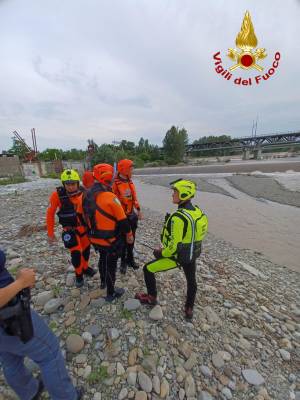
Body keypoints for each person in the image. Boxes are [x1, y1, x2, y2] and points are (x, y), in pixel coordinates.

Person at [0, 249, 83, 400]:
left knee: (9, 359)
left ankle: (29, 391)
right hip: (9, 318)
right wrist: (20, 283)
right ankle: (66, 397)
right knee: (49, 354)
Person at [135, 179, 208, 320]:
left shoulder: (178, 218)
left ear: (184, 194)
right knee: (191, 281)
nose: (172, 194)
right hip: (192, 254)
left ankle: (151, 297)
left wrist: (160, 253)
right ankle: (189, 309)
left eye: (175, 191)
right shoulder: (198, 212)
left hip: (177, 257)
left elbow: (173, 247)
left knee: (147, 269)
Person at [82, 163, 134, 301]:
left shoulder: (86, 196)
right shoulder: (111, 197)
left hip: (94, 238)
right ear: (109, 178)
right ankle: (111, 293)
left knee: (102, 258)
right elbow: (123, 221)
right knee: (111, 264)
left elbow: (82, 217)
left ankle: (103, 282)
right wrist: (129, 235)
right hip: (110, 240)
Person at [46, 169, 95, 288]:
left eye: (73, 184)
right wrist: (50, 233)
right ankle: (79, 275)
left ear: (78, 183)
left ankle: (85, 267)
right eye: (68, 184)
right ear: (64, 184)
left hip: (84, 228)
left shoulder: (84, 192)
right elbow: (50, 213)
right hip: (70, 230)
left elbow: (91, 210)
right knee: (76, 254)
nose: (71, 187)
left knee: (86, 250)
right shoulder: (57, 195)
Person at [112, 159, 142, 274]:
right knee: (123, 241)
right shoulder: (115, 184)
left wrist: (138, 210)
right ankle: (123, 262)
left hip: (131, 215)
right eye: (131, 168)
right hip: (121, 217)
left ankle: (130, 259)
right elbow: (113, 202)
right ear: (124, 169)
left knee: (131, 239)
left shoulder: (130, 182)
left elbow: (134, 198)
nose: (132, 170)